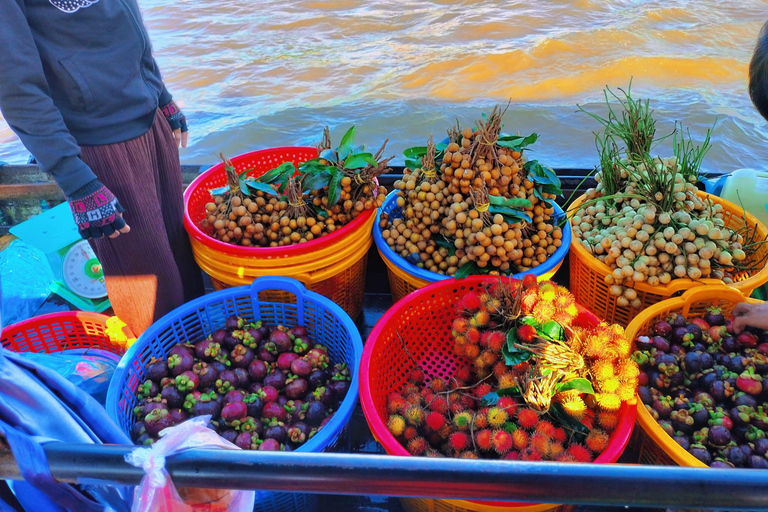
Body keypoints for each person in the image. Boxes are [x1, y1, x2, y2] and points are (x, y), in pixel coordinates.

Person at [0, 0, 205, 334]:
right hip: (97, 142)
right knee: (148, 284)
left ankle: (201, 350)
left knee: (181, 256)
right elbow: (16, 84)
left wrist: (161, 95)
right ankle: (162, 368)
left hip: (148, 119)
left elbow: (129, 21)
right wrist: (76, 179)